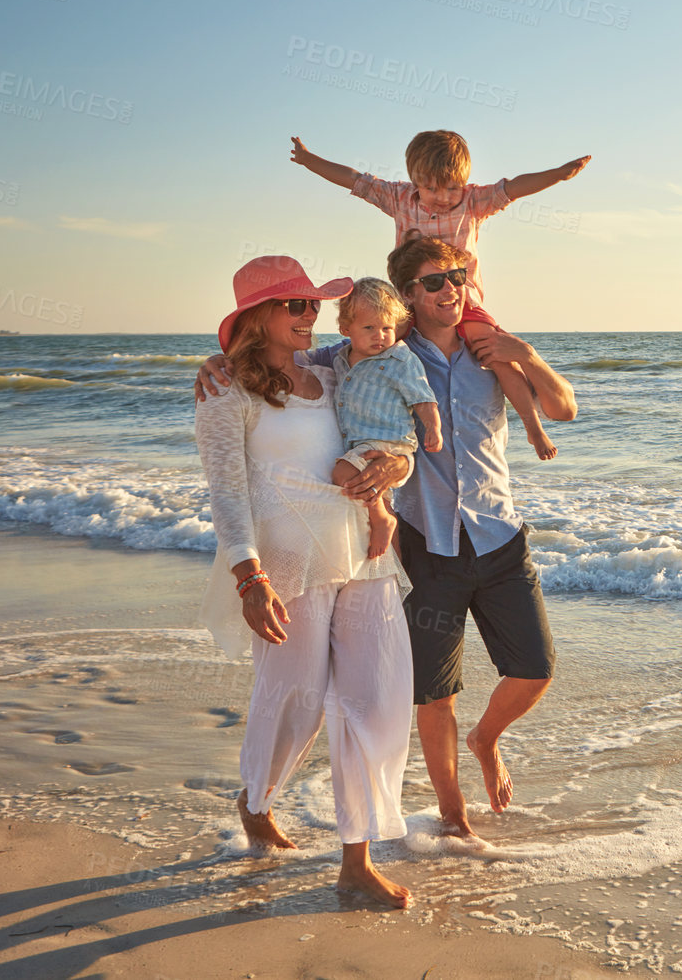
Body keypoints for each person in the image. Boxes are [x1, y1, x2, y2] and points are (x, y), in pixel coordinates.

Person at [198, 239, 577, 841]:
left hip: (446, 545)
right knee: (387, 695)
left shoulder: (473, 352)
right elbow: (276, 378)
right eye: (433, 282)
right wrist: (216, 361)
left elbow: (562, 410)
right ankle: (438, 817)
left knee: (489, 680)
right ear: (407, 298)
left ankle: (449, 774)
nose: (449, 288)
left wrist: (525, 354)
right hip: (391, 550)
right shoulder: (354, 355)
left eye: (456, 276)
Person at [194, 255, 416, 907]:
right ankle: (256, 799)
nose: (308, 315)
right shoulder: (226, 391)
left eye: (311, 306)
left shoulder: (330, 368)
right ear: (257, 316)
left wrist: (393, 473)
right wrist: (247, 576)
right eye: (294, 305)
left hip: (363, 548)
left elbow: (385, 423)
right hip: (288, 562)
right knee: (297, 699)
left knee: (373, 698)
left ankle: (356, 860)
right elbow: (227, 494)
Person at [288, 129, 589, 463]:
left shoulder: (474, 202)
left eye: (451, 187)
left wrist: (559, 175)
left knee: (497, 355)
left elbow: (515, 187)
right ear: (415, 180)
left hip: (468, 304)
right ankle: (365, 438)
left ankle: (533, 428)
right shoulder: (399, 198)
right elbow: (354, 180)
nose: (443, 197)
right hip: (406, 305)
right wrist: (308, 160)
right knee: (372, 348)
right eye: (431, 187)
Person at [330, 277, 443, 560]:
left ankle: (382, 520)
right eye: (369, 328)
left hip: (389, 443)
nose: (379, 335)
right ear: (346, 328)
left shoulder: (400, 359)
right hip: (361, 445)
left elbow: (423, 397)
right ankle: (394, 578)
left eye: (387, 328)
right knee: (380, 500)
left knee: (342, 474)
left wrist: (433, 427)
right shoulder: (339, 359)